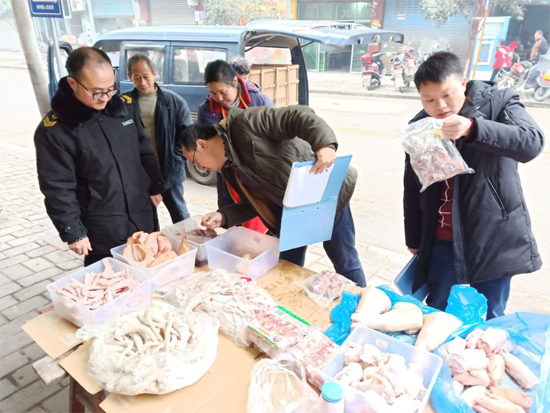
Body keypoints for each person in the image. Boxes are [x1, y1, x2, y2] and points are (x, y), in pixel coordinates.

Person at [403, 52, 544, 319]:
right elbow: (413, 187)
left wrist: (473, 129)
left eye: (448, 94)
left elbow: (532, 142)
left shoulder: (499, 103)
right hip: (441, 242)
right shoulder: (420, 127)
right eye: (429, 100)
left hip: (490, 240)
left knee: (489, 321)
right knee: (437, 314)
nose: (441, 106)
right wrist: (414, 237)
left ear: (463, 83)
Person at [178, 106, 366, 287]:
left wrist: (325, 145)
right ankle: (290, 308)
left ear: (201, 145)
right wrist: (223, 216)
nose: (201, 168)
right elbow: (254, 203)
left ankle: (365, 308)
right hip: (292, 211)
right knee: (287, 265)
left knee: (344, 258)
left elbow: (298, 115)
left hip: (323, 193)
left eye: (196, 161)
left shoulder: (244, 124)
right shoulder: (229, 168)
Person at [34, 47, 164, 266]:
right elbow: (57, 186)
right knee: (111, 285)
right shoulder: (55, 130)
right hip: (102, 225)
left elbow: (144, 149)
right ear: (73, 83)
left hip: (141, 213)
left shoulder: (124, 107)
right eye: (96, 92)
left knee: (151, 273)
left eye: (110, 89)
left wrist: (156, 186)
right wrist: (73, 231)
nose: (105, 98)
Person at [198, 59, 274, 233]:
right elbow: (205, 143)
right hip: (228, 180)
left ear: (234, 82)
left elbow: (275, 138)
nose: (218, 98)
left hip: (257, 178)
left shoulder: (259, 101)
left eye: (222, 92)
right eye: (213, 93)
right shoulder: (206, 109)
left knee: (261, 227)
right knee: (232, 225)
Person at [124, 54, 193, 224]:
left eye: (146, 76)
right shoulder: (123, 103)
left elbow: (187, 135)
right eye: (136, 77)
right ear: (129, 76)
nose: (142, 82)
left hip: (169, 168)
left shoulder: (174, 101)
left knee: (180, 214)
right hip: (139, 172)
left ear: (155, 74)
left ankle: (190, 245)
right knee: (143, 216)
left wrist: (176, 158)